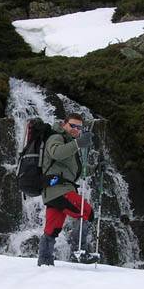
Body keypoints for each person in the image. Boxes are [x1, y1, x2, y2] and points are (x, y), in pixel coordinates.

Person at [37, 114, 93, 266]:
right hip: (59, 189)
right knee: (86, 211)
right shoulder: (56, 137)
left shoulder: (69, 142)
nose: (76, 130)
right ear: (64, 124)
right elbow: (56, 153)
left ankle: (44, 262)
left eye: (79, 127)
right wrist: (78, 143)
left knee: (52, 229)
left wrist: (96, 168)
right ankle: (80, 251)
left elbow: (73, 170)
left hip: (54, 191)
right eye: (73, 126)